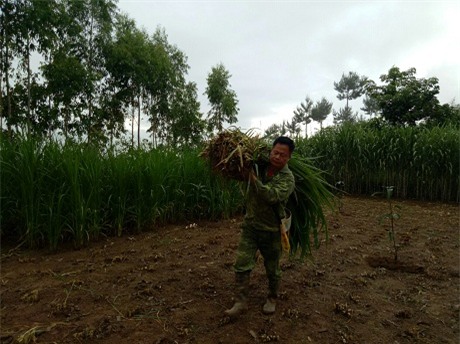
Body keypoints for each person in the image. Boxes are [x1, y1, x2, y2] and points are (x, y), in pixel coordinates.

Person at [225, 136, 295, 317]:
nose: (277, 157)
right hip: (250, 226)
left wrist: (253, 179)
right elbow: (240, 173)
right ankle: (241, 301)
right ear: (270, 151)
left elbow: (271, 195)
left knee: (272, 268)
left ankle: (272, 298)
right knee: (241, 264)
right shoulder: (259, 165)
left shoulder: (287, 178)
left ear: (289, 158)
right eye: (275, 152)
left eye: (283, 155)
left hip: (271, 231)